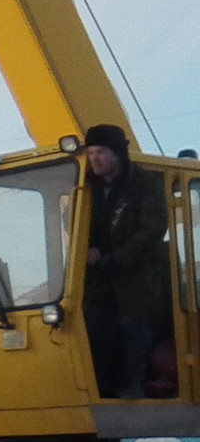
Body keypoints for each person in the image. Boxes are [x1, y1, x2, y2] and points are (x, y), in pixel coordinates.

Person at [81, 123, 169, 399]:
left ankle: (132, 389)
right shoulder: (84, 187)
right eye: (91, 151)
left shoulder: (144, 183)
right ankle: (101, 390)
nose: (94, 158)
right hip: (98, 281)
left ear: (118, 153)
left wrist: (116, 258)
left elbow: (152, 229)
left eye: (101, 151)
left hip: (137, 279)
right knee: (94, 331)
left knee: (134, 331)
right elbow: (72, 222)